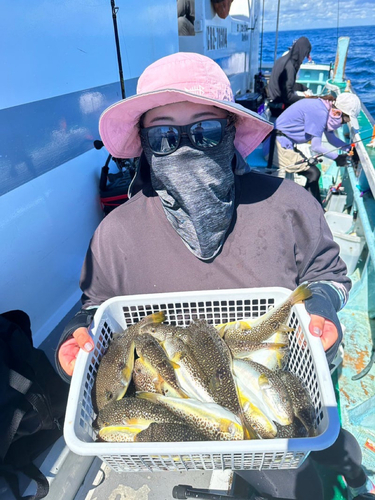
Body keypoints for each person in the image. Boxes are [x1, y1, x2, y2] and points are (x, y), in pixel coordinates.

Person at [55, 52, 374, 500]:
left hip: (277, 392)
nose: (185, 147)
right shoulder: (115, 235)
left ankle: (349, 472)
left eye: (204, 130)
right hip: (174, 425)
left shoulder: (288, 204)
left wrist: (320, 307)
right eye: (164, 135)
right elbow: (96, 310)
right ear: (145, 143)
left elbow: (327, 272)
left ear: (229, 132)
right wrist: (76, 343)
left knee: (319, 466)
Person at [264, 92, 361, 205]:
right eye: (345, 121)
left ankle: (313, 206)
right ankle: (311, 208)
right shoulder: (319, 113)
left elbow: (331, 139)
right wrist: (337, 158)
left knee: (313, 172)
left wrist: (349, 149)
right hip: (275, 147)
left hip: (284, 144)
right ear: (338, 113)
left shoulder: (326, 108)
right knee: (313, 173)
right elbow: (316, 146)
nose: (342, 124)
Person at [268, 36, 312, 117]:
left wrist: (303, 88)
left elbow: (286, 84)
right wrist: (306, 100)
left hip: (274, 102)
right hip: (279, 108)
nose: (303, 59)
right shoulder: (290, 67)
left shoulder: (283, 59)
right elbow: (288, 97)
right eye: (304, 54)